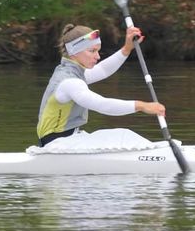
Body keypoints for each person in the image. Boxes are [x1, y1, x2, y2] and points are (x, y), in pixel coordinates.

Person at [37, 24, 166, 147]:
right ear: (74, 52)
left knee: (122, 136)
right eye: (92, 51)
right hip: (56, 145)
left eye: (98, 51)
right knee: (122, 137)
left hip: (69, 139)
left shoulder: (72, 73)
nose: (97, 56)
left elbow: (103, 70)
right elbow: (103, 105)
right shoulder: (69, 82)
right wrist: (142, 106)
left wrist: (127, 49)